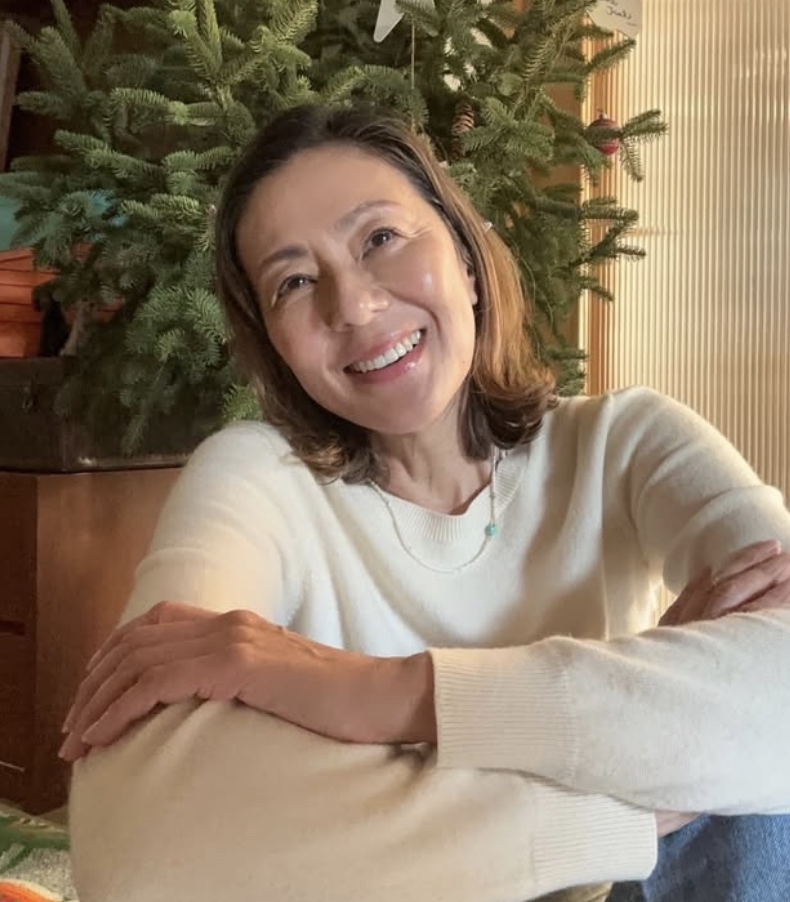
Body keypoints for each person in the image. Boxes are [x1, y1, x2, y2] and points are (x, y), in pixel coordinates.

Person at [62, 104, 790, 902]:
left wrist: (381, 694)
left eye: (380, 238)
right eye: (294, 282)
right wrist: (635, 793)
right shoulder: (255, 477)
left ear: (467, 262)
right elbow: (136, 850)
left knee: (762, 813)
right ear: (275, 347)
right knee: (728, 772)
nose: (353, 306)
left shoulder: (628, 442)